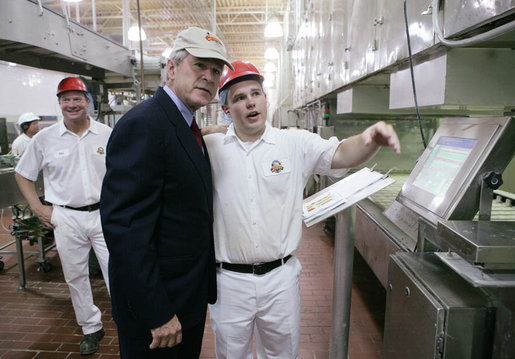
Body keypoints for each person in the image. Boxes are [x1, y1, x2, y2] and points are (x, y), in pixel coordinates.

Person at [203, 61, 401, 358]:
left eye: (255, 93)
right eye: (239, 98)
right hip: (229, 283)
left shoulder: (293, 143)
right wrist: (207, 130)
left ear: (266, 99)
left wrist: (369, 139)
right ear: (226, 109)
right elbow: (174, 139)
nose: (250, 102)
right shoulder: (211, 147)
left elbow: (342, 153)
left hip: (280, 279)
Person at [99, 26, 233, 358]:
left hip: (184, 295)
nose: (208, 76)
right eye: (199, 65)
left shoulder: (184, 125)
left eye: (215, 71)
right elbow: (126, 229)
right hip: (159, 309)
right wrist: (157, 311)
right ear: (171, 68)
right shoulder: (144, 124)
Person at [15, 77, 111, 356]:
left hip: (104, 215)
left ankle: (127, 320)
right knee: (75, 275)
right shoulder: (44, 139)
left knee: (117, 271)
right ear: (59, 104)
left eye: (77, 99)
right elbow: (23, 174)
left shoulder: (106, 134)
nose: (72, 104)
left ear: (88, 102)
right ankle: (91, 327)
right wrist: (38, 207)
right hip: (66, 217)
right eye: (66, 99)